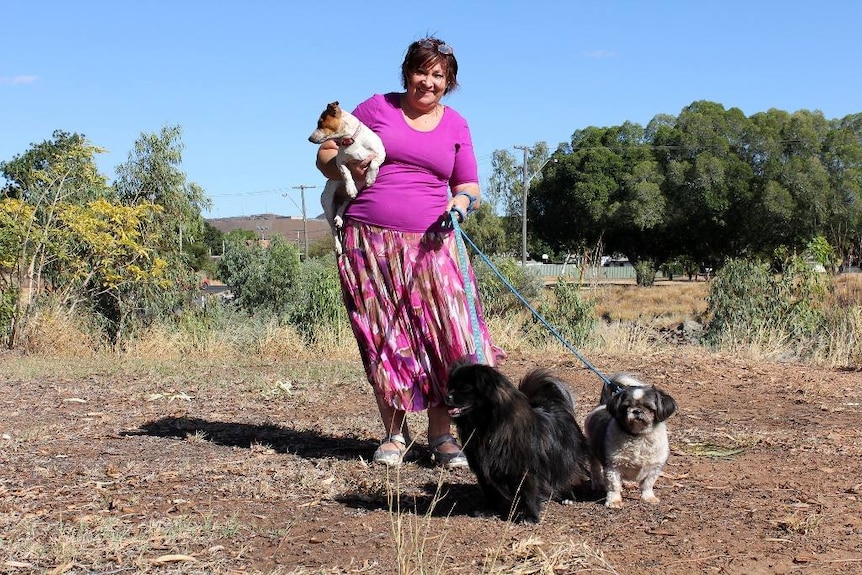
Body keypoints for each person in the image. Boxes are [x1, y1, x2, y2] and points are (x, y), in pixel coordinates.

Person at [315, 37, 504, 468]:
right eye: (422, 71)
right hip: (370, 241)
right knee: (384, 336)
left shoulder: (456, 124)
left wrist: (460, 205)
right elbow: (327, 152)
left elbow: (469, 185)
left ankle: (442, 438)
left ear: (449, 82)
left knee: (446, 337)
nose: (428, 81)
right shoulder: (376, 108)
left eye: (439, 75)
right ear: (407, 73)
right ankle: (394, 435)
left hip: (435, 244)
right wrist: (344, 164)